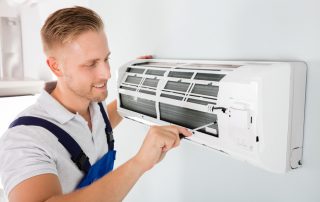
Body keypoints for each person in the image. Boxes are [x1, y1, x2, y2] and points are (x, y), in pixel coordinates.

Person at [0, 6, 191, 202]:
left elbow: (102, 124)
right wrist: (140, 162)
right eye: (91, 64)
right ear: (56, 66)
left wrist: (133, 89)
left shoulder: (92, 104)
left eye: (106, 59)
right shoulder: (23, 140)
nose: (106, 73)